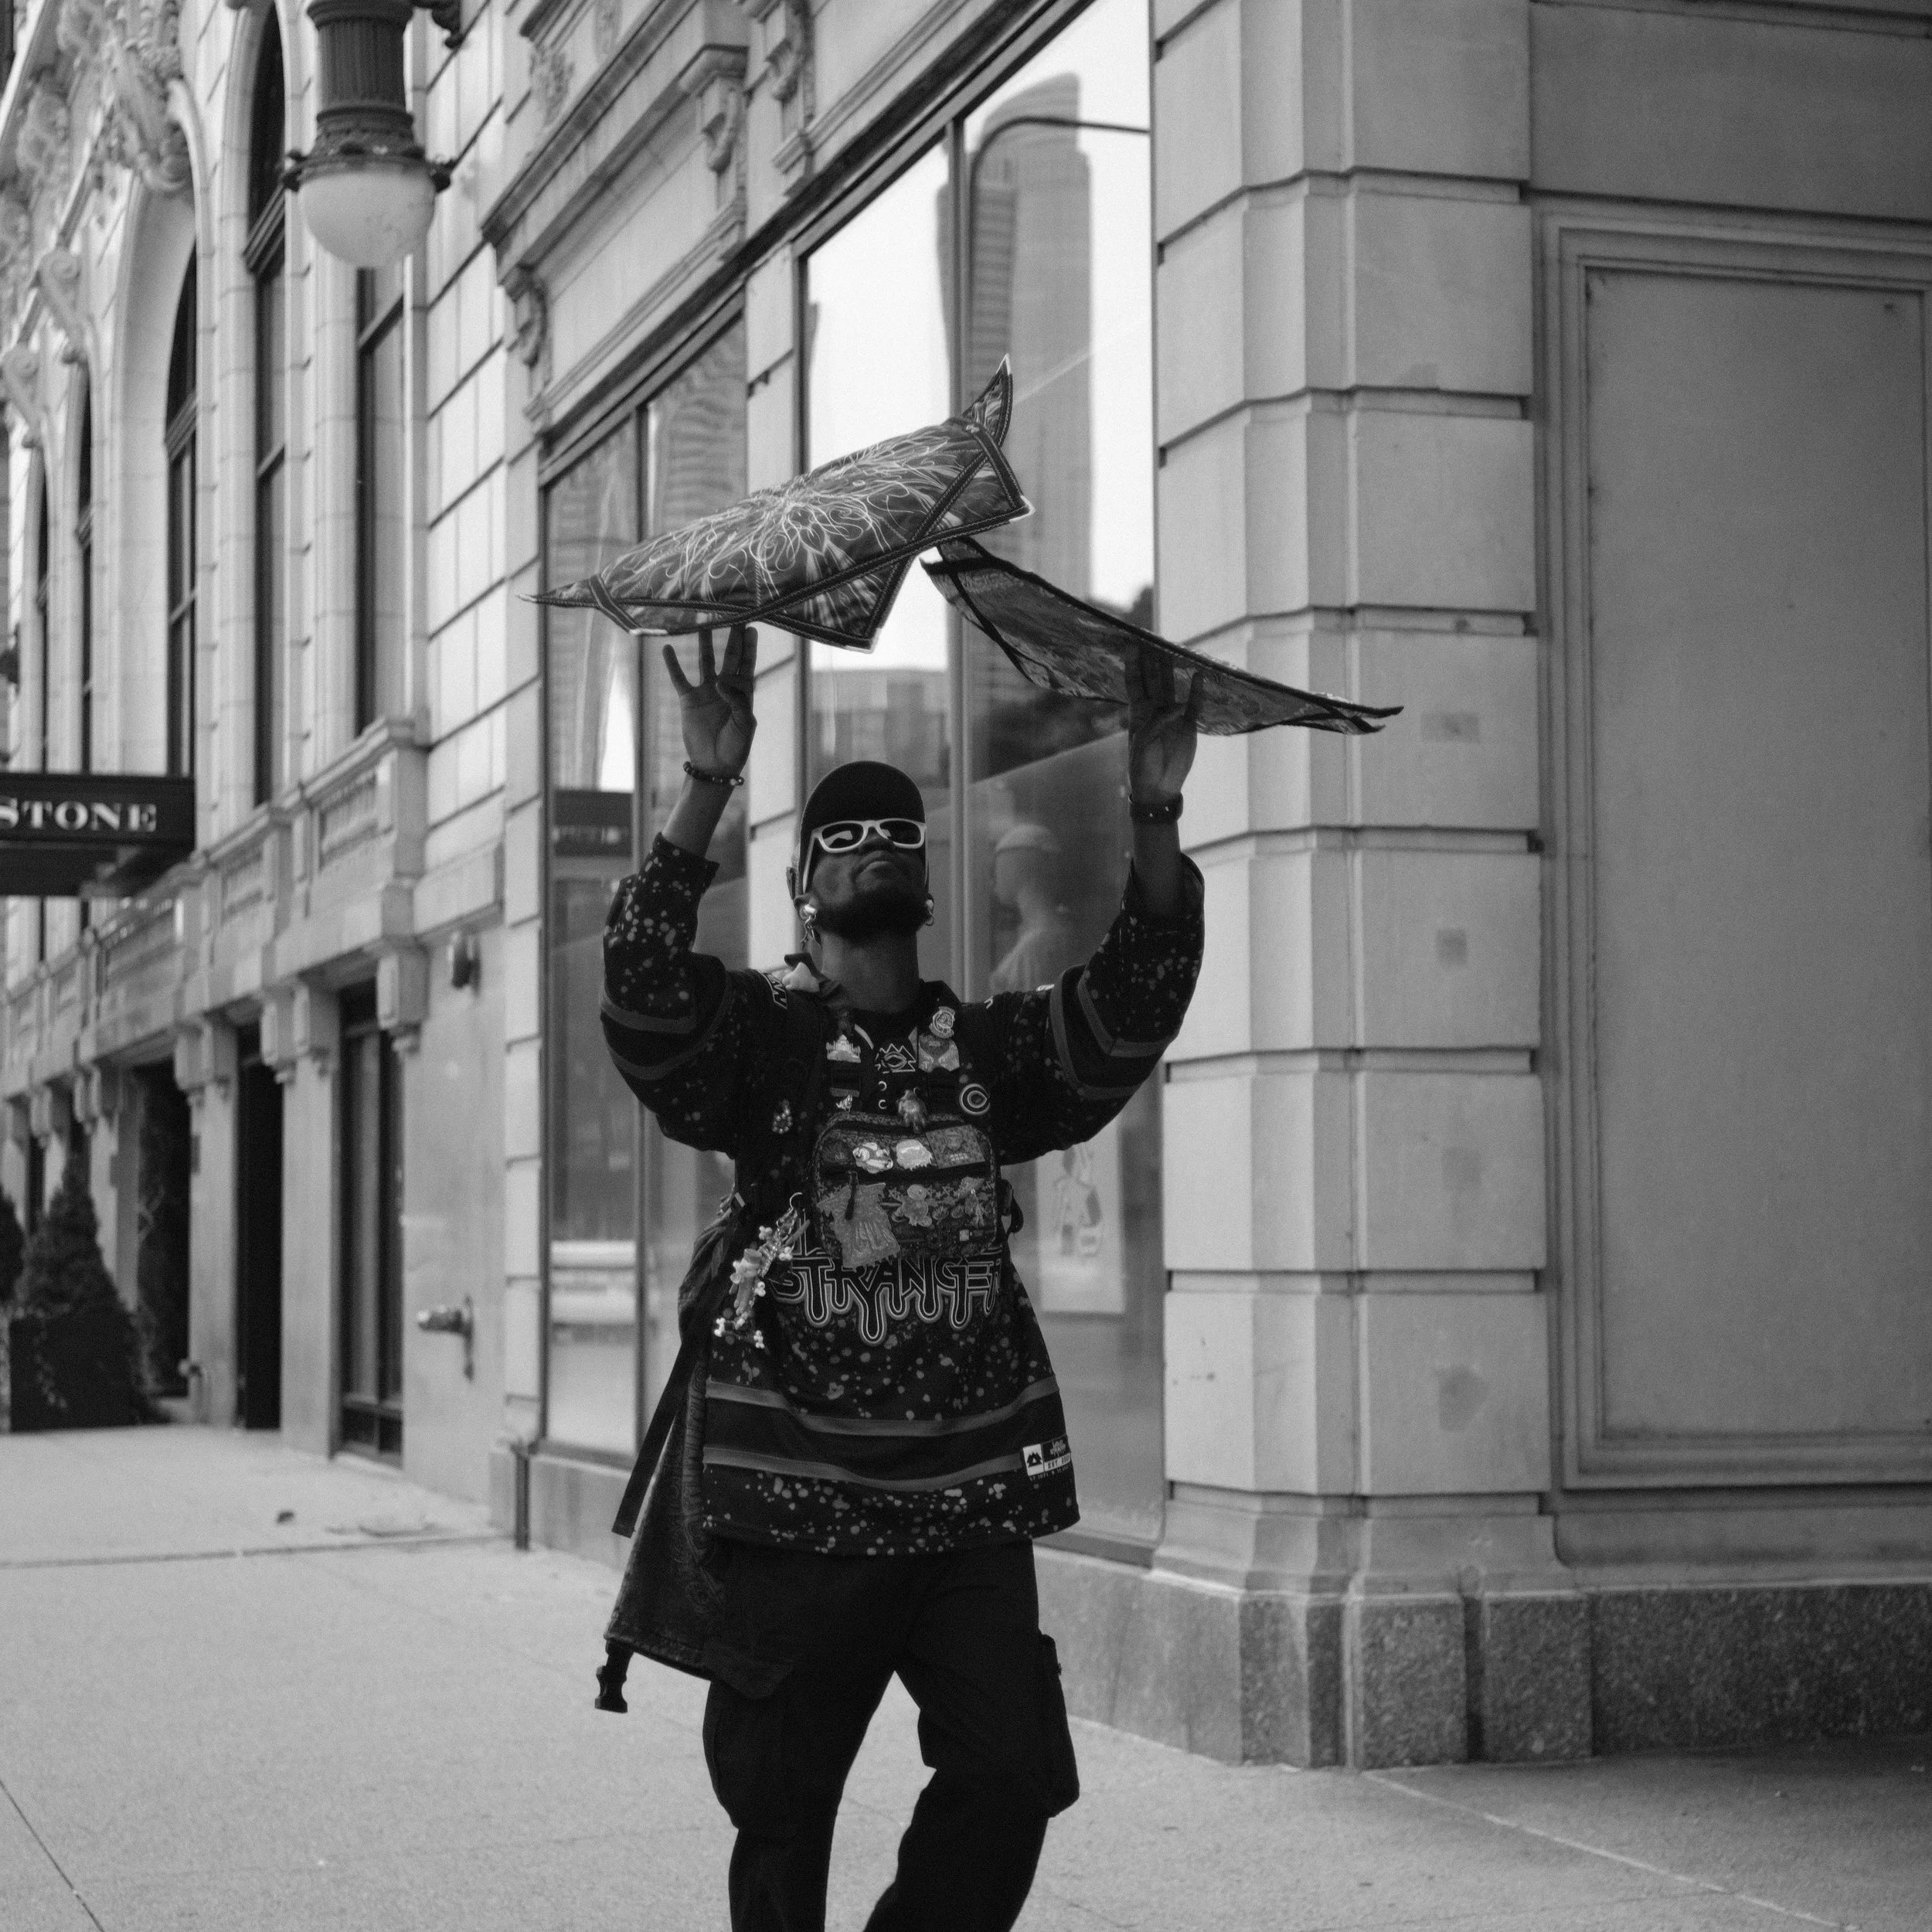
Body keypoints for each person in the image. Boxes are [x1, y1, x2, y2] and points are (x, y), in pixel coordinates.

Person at [600, 622, 1202, 1932]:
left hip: (967, 1502)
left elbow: (1133, 1004)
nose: (872, 846)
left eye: (894, 833)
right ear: (812, 885)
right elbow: (641, 997)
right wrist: (703, 789)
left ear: (923, 883)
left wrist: (1152, 808)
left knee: (1012, 1774)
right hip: (800, 1505)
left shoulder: (985, 1052)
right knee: (782, 1820)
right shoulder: (759, 1043)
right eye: (845, 835)